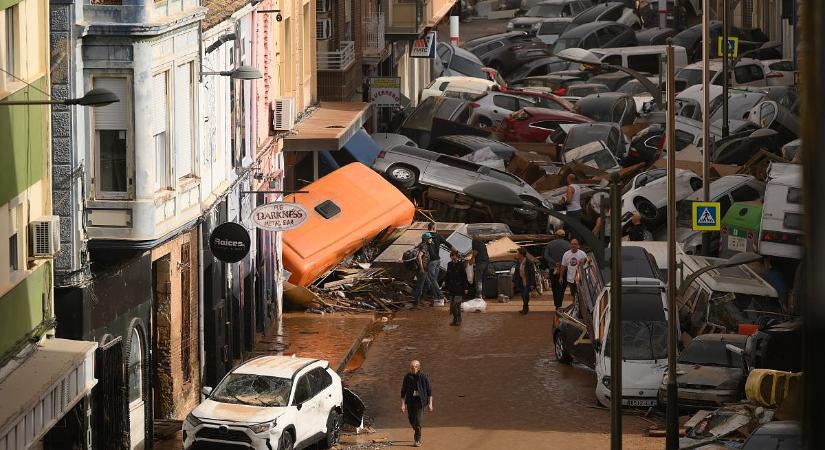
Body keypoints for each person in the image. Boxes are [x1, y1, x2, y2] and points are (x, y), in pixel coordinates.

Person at [400, 360, 433, 447]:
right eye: (411, 367)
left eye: (414, 367)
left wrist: (430, 404)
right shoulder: (407, 377)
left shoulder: (423, 377)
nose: (412, 369)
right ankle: (417, 430)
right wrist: (403, 404)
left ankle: (417, 440)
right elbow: (403, 391)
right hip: (410, 402)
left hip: (420, 402)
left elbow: (429, 391)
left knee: (418, 421)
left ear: (418, 367)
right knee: (411, 420)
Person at [425, 223, 456, 306]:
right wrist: (456, 252)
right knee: (434, 280)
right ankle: (435, 297)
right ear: (434, 228)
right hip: (438, 260)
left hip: (431, 261)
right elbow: (448, 244)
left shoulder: (426, 236)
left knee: (433, 280)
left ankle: (441, 296)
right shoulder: (439, 236)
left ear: (429, 228)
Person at [543, 229, 570, 309]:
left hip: (553, 268)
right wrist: (562, 263)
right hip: (564, 269)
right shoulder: (568, 245)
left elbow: (546, 256)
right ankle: (559, 303)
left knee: (554, 287)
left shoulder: (550, 244)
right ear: (564, 236)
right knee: (562, 287)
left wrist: (554, 263)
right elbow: (570, 256)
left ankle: (556, 304)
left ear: (556, 235)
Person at [445, 250, 469, 326]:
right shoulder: (449, 264)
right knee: (452, 306)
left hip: (459, 288)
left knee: (456, 304)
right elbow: (447, 276)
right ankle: (455, 319)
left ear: (457, 256)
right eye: (451, 256)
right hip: (452, 288)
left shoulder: (461, 265)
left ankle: (458, 319)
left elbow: (464, 277)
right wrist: (446, 285)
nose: (452, 257)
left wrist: (466, 288)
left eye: (453, 256)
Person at [560, 239, 588, 303]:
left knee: (581, 294)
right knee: (573, 294)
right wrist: (561, 277)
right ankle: (575, 305)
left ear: (578, 245)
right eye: (572, 244)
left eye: (575, 244)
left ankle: (580, 306)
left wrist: (584, 261)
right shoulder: (566, 254)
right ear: (570, 245)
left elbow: (587, 264)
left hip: (581, 278)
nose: (573, 245)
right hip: (571, 278)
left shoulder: (582, 253)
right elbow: (563, 266)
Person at [412, 234, 436, 307]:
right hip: (422, 269)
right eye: (430, 238)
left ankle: (421, 300)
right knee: (420, 286)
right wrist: (422, 268)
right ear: (426, 239)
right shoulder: (424, 246)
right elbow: (419, 256)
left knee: (427, 284)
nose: (431, 239)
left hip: (422, 268)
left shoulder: (421, 245)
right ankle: (416, 303)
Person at [513, 248, 536, 315]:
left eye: (517, 253)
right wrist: (513, 281)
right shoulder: (518, 262)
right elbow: (516, 272)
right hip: (521, 281)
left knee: (525, 295)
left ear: (522, 254)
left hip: (527, 281)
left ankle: (525, 309)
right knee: (523, 295)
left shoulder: (529, 263)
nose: (516, 254)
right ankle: (525, 307)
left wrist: (532, 284)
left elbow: (532, 274)